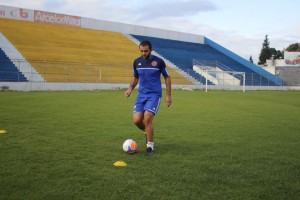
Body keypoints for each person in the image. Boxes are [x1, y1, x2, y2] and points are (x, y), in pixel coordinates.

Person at [125, 40, 172, 155]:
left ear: (151, 50)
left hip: (154, 95)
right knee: (136, 120)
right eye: (141, 51)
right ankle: (147, 131)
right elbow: (135, 77)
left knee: (147, 118)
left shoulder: (159, 62)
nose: (143, 53)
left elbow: (167, 77)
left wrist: (168, 96)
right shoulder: (137, 62)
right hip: (141, 95)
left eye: (146, 51)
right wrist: (130, 88)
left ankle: (150, 146)